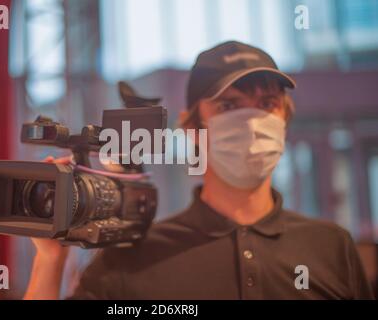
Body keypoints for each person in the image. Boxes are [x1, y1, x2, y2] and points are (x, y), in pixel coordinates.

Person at [24, 41, 373, 300]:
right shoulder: (132, 258)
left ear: (284, 118)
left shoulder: (332, 247)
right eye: (228, 105)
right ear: (192, 127)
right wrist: (49, 260)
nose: (251, 121)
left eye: (267, 104)